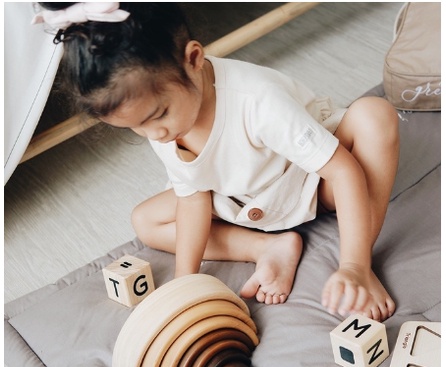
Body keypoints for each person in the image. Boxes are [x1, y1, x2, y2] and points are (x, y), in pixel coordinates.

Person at [35, 2, 399, 321]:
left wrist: (353, 265)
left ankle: (361, 258)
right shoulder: (162, 121)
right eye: (135, 128)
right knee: (146, 220)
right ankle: (267, 247)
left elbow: (343, 170)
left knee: (374, 116)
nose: (154, 135)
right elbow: (194, 198)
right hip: (243, 199)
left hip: (308, 182)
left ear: (193, 59)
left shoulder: (257, 101)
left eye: (158, 116)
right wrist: (185, 282)